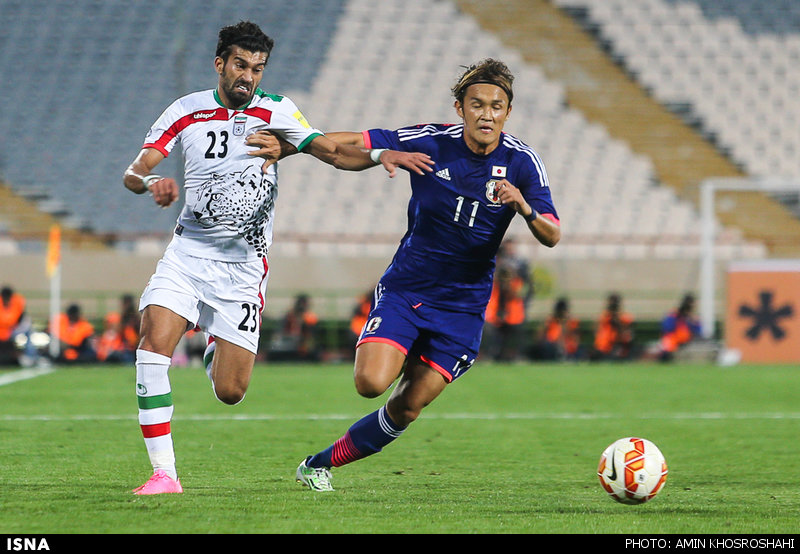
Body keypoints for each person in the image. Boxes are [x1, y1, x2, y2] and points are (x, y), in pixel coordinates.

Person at [121, 21, 433, 495]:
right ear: (220, 63)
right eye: (241, 66)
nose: (249, 76)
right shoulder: (185, 111)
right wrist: (151, 183)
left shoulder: (277, 110)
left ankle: (213, 346)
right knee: (153, 344)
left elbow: (330, 150)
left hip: (245, 269)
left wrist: (377, 157)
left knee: (231, 392)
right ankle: (164, 473)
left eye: (258, 68)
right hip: (188, 254)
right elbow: (134, 170)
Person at [252, 58, 561, 491]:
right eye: (477, 104)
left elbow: (552, 233)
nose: (486, 114)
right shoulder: (432, 142)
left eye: (496, 106)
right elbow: (352, 143)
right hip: (409, 289)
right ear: (460, 108)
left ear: (507, 112)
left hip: (463, 307)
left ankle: (318, 463)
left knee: (407, 408)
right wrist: (294, 143)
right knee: (370, 383)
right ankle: (398, 344)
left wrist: (523, 206)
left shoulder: (523, 163)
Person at [269, 294, 321, 361]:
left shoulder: (310, 318)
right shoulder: (289, 316)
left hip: (302, 344)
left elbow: (312, 335)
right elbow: (281, 332)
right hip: (288, 341)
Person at [530, 296, 581, 361]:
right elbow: (539, 335)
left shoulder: (571, 322)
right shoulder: (550, 321)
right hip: (551, 347)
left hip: (567, 349)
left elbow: (575, 340)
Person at [590, 293, 634, 361]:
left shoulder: (624, 318)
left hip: (618, 348)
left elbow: (627, 335)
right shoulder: (604, 317)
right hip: (602, 348)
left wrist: (617, 321)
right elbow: (596, 331)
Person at [658, 293, 701, 361]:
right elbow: (667, 327)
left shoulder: (691, 318)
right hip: (674, 338)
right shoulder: (675, 314)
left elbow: (698, 329)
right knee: (667, 344)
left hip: (685, 338)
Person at [0, 286, 31, 365]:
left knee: (29, 331)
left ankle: (30, 356)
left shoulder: (17, 302)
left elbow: (21, 318)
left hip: (14, 329)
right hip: (2, 330)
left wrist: (13, 329)